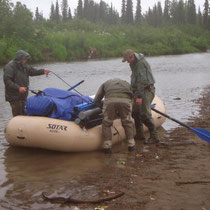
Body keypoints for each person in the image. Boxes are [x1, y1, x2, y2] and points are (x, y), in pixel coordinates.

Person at [122, 49, 159, 144]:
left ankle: (154, 137)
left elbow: (141, 82)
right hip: (138, 90)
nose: (127, 62)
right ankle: (140, 135)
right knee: (135, 112)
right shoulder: (134, 63)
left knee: (145, 114)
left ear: (132, 57)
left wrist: (139, 97)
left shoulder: (140, 64)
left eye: (127, 60)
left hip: (146, 90)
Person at [3, 50, 51, 117]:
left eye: (26, 59)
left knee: (23, 113)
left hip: (23, 94)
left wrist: (43, 71)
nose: (25, 61)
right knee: (18, 115)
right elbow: (7, 81)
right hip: (14, 96)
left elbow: (33, 71)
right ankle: (16, 126)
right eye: (24, 59)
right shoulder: (9, 67)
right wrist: (18, 88)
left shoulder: (25, 65)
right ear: (19, 59)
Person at [94, 78, 135, 154]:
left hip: (110, 101)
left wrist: (103, 108)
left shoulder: (105, 83)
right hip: (126, 101)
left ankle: (107, 147)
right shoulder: (127, 84)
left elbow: (96, 100)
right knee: (127, 122)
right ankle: (131, 145)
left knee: (106, 123)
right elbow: (133, 98)